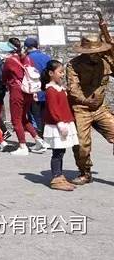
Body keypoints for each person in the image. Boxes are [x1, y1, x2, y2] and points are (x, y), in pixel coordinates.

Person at [66, 16, 114, 186]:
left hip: (100, 108)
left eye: (98, 51)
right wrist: (86, 101)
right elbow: (73, 88)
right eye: (92, 53)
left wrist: (105, 32)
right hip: (81, 108)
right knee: (82, 145)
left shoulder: (106, 61)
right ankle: (85, 172)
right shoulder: (74, 65)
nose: (95, 55)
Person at [2, 37, 47, 156]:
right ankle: (39, 140)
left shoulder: (9, 61)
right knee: (23, 118)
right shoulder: (27, 58)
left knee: (16, 120)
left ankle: (23, 146)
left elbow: (4, 76)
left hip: (17, 91)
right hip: (28, 91)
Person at [41, 60, 79, 191]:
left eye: (63, 72)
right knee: (57, 153)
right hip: (57, 124)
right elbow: (53, 108)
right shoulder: (51, 90)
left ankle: (60, 176)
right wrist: (60, 123)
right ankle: (56, 178)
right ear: (51, 73)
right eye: (60, 72)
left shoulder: (59, 88)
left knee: (61, 151)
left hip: (63, 121)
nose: (62, 75)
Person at [25, 37, 51, 136]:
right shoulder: (47, 57)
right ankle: (47, 135)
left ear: (26, 47)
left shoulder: (27, 58)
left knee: (36, 116)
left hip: (34, 91)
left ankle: (40, 137)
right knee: (45, 115)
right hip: (46, 90)